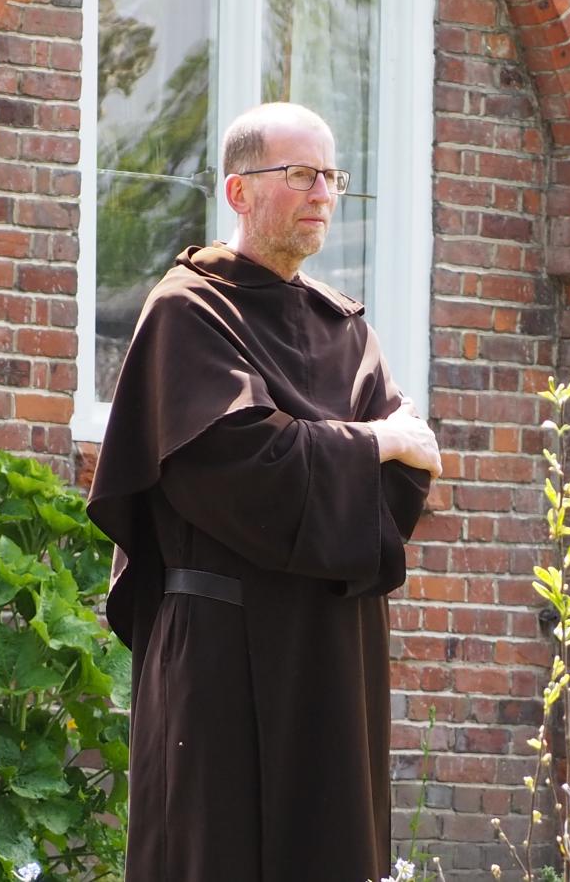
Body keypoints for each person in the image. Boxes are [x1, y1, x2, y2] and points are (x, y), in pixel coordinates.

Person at [87, 102, 441, 882]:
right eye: (302, 174)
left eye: (332, 177)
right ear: (239, 190)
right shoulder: (188, 312)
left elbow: (404, 486)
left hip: (334, 654)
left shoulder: (346, 331)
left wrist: (352, 456)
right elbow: (238, 464)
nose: (323, 194)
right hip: (221, 652)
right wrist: (372, 443)